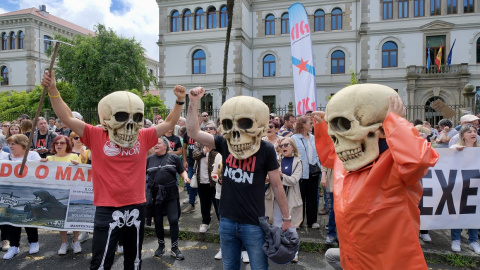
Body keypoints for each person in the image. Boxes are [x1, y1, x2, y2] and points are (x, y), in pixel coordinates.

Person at [41, 70, 186, 270]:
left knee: (134, 262)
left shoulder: (143, 136)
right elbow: (66, 117)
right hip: (107, 207)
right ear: (106, 119)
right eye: (121, 117)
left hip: (136, 205)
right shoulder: (95, 134)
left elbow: (169, 123)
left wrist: (179, 101)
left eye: (136, 118)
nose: (130, 125)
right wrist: (53, 90)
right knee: (101, 262)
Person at [314, 88, 438, 270]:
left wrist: (396, 123)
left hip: (389, 263)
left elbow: (418, 160)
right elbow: (329, 156)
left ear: (380, 130)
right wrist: (329, 127)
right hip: (355, 259)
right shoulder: (346, 162)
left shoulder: (395, 166)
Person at [186, 87, 292, 269]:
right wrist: (193, 102)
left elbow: (276, 185)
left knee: (259, 267)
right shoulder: (224, 143)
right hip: (227, 220)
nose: (235, 133)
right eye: (229, 125)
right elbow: (193, 133)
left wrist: (286, 218)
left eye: (245, 124)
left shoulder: (265, 150)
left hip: (253, 223)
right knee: (229, 266)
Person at [146, 137, 190, 260]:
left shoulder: (173, 157)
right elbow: (140, 175)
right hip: (156, 196)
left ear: (166, 146)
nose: (155, 145)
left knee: (173, 220)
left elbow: (182, 171)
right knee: (158, 221)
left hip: (171, 194)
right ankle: (161, 246)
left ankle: (175, 248)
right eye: (154, 143)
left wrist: (185, 178)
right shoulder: (149, 160)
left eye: (158, 143)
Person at [39, 135, 82, 254]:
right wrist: (41, 164)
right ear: (53, 145)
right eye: (57, 143)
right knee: (59, 218)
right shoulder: (49, 158)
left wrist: (78, 165)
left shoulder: (74, 156)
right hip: (56, 194)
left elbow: (82, 171)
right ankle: (64, 243)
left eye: (62, 143)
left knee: (73, 216)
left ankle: (76, 241)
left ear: (67, 145)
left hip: (71, 192)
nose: (59, 145)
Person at [1, 134, 41, 260]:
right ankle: (14, 246)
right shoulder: (5, 157)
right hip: (10, 193)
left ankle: (33, 241)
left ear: (23, 145)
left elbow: (42, 170)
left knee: (29, 217)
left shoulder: (33, 156)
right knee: (13, 219)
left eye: (13, 144)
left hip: (28, 192)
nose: (10, 146)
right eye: (9, 144)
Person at [449, 124, 480, 254]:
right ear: (462, 135)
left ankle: (473, 241)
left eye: (474, 131)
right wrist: (456, 148)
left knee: (475, 213)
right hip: (460, 186)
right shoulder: (456, 148)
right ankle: (456, 239)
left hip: (476, 187)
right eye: (469, 132)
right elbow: (447, 154)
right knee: (458, 212)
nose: (473, 133)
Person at [265, 137, 303, 231]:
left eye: (286, 145)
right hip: (277, 197)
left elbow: (294, 180)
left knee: (291, 225)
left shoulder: (298, 162)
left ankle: (290, 244)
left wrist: (281, 176)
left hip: (290, 197)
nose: (283, 147)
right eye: (281, 146)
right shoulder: (278, 160)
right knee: (276, 224)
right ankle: (277, 243)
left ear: (293, 147)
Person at [292, 116, 322, 229]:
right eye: (310, 123)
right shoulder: (294, 138)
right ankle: (299, 221)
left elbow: (318, 152)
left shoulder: (314, 138)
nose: (312, 125)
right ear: (303, 124)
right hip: (300, 173)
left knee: (312, 198)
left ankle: (312, 222)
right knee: (300, 198)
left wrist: (318, 164)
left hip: (313, 172)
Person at [191, 122, 220, 232]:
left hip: (215, 180)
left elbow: (220, 156)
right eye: (206, 128)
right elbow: (194, 155)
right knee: (204, 202)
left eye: (211, 128)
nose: (208, 130)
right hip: (202, 179)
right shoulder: (199, 143)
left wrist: (211, 149)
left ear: (215, 130)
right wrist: (203, 152)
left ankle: (221, 223)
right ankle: (205, 222)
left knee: (218, 203)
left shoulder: (219, 143)